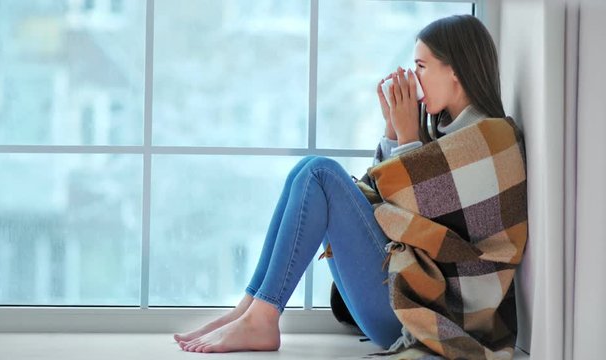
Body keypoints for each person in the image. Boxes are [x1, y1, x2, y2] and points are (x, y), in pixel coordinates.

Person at [173, 14, 506, 353]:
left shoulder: (490, 141)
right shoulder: (443, 131)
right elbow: (388, 204)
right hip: (403, 301)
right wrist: (394, 132)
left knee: (321, 173)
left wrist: (407, 136)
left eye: (421, 66)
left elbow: (417, 229)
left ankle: (261, 318)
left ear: (455, 71)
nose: (413, 80)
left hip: (428, 317)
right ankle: (250, 309)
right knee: (307, 170)